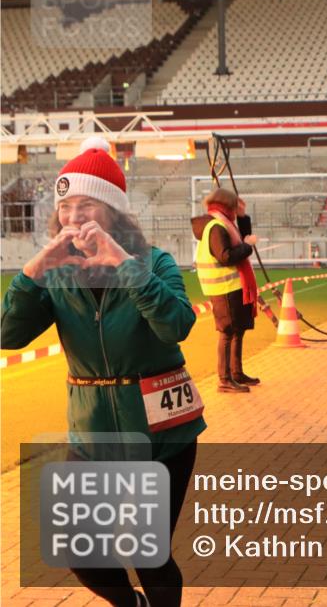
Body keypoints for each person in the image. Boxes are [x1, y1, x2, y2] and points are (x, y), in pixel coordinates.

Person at [1, 143, 205, 607]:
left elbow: (177, 324)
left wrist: (124, 265)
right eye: (65, 207)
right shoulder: (55, 276)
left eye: (86, 205)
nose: (73, 216)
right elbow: (7, 335)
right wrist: (33, 271)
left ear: (112, 211)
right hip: (91, 434)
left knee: (146, 550)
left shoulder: (155, 263)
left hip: (160, 432)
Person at [191, 188, 260, 393]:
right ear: (227, 205)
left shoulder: (222, 223)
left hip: (231, 286)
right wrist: (247, 247)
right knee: (228, 332)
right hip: (225, 287)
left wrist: (243, 217)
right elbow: (226, 256)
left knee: (238, 330)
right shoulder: (216, 226)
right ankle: (225, 379)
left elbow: (242, 236)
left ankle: (236, 373)